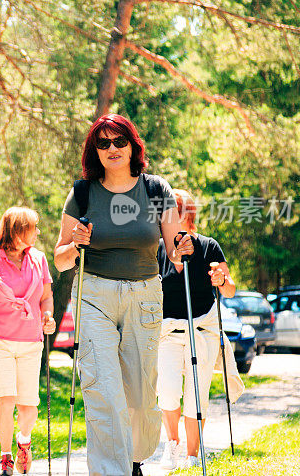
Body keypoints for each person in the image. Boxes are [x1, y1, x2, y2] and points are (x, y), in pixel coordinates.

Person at [53, 113, 192, 476]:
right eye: (103, 143)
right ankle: (112, 470)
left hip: (145, 294)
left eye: (119, 141)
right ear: (94, 151)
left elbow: (174, 250)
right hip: (94, 293)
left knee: (143, 395)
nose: (112, 149)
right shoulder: (83, 192)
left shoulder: (156, 189)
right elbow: (61, 258)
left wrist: (184, 247)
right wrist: (76, 243)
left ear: (132, 145)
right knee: (104, 389)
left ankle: (133, 459)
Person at [156, 189, 244, 470]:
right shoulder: (159, 249)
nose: (167, 217)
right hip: (169, 332)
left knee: (197, 394)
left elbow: (229, 289)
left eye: (173, 211)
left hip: (202, 331)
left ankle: (192, 455)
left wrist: (221, 279)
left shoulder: (209, 247)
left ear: (187, 215)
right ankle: (172, 446)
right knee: (167, 391)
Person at [0, 206, 57, 476]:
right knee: (5, 402)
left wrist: (48, 316)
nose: (38, 232)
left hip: (31, 341)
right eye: (34, 227)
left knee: (29, 407)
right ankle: (5, 457)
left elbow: (46, 297)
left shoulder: (39, 259)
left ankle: (24, 442)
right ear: (18, 230)